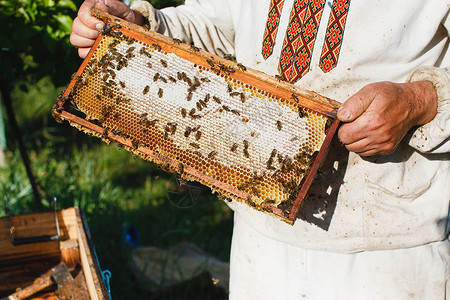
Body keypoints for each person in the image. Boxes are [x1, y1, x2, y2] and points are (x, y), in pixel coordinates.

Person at [71, 0, 450, 298]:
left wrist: (420, 101)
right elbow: (216, 20)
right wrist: (140, 27)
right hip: (260, 224)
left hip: (386, 244)